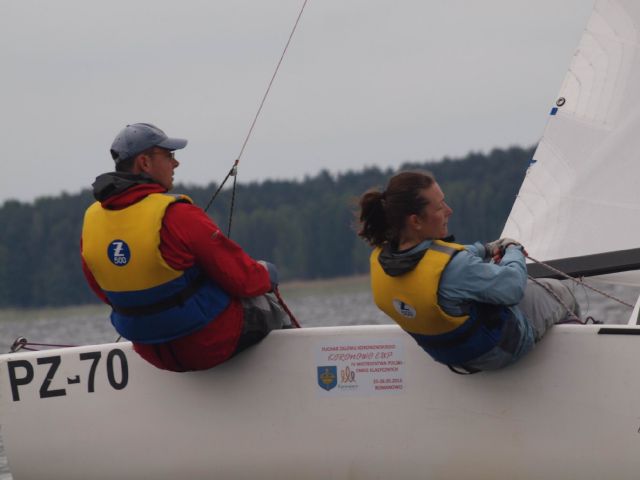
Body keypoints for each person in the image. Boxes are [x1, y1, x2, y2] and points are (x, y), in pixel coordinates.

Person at [81, 122, 290, 372]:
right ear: (144, 162)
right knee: (264, 292)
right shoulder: (177, 215)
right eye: (168, 155)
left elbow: (104, 290)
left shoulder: (92, 220)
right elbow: (242, 279)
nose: (176, 163)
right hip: (208, 344)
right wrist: (268, 274)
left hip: (151, 352)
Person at [357, 170, 579, 373]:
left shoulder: (382, 260)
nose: (449, 210)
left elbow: (443, 259)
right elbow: (513, 287)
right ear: (415, 221)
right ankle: (574, 369)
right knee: (560, 291)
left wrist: (487, 249)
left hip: (451, 358)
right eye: (439, 207)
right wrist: (513, 250)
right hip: (500, 350)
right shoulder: (455, 268)